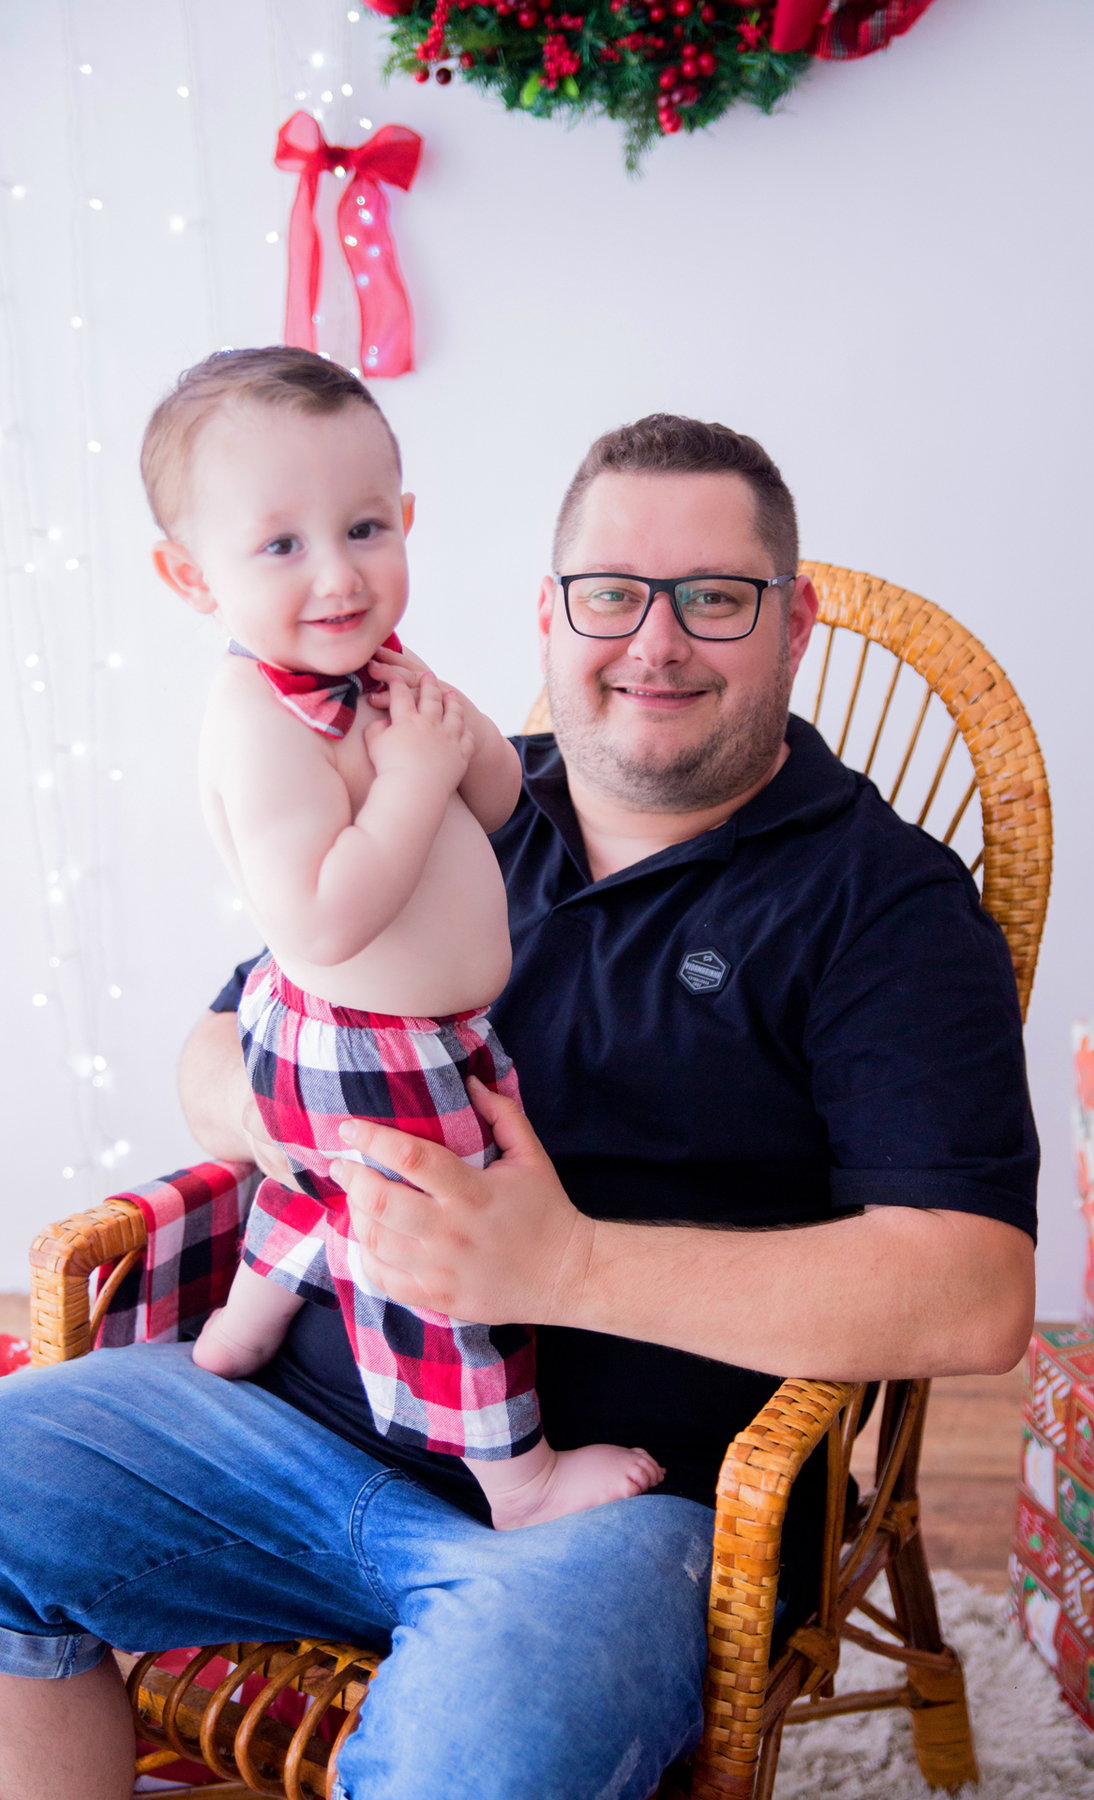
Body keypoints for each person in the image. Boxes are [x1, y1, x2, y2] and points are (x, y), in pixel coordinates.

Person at [0, 412, 1038, 1800]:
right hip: (286, 1432)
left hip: (621, 1510)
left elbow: (969, 1296)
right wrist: (306, 1127)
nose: (653, 645)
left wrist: (565, 1264)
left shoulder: (881, 908)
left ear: (791, 626)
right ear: (548, 618)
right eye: (610, 594)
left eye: (713, 600)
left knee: (468, 1762)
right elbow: (219, 1042)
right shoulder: (434, 789)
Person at [144, 346, 663, 1530]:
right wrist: (415, 774)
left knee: (338, 1190)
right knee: (442, 1255)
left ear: (408, 519)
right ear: (190, 577)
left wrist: (453, 735)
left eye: (367, 527)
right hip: (364, 1039)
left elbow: (496, 800)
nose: (338, 574)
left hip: (400, 1038)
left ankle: (247, 1320)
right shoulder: (258, 722)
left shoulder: (365, 669)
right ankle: (516, 1478)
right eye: (281, 545)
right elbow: (323, 911)